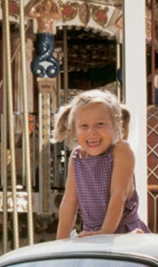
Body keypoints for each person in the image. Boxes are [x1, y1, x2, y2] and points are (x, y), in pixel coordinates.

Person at [54, 89, 150, 238]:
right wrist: (60, 241)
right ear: (74, 130)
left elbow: (119, 194)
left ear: (117, 125)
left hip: (122, 233)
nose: (92, 132)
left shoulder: (121, 150)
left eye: (100, 124)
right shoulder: (77, 157)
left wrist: (105, 233)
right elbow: (69, 202)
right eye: (84, 126)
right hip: (92, 234)